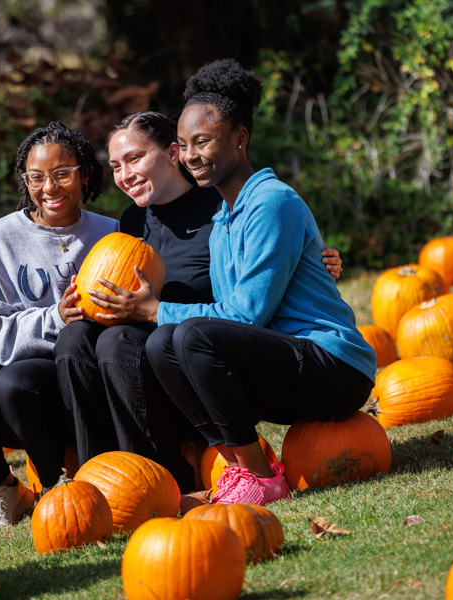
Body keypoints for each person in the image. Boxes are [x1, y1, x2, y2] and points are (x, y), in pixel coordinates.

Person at [83, 59, 376, 507]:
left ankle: (261, 482)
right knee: (164, 344)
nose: (192, 154)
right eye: (184, 144)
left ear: (239, 138)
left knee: (187, 333)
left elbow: (246, 315)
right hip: (282, 363)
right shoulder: (222, 220)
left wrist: (155, 308)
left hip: (333, 367)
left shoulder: (271, 202)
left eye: (203, 140)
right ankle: (242, 469)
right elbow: (229, 312)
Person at [0, 122, 120, 532]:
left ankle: (56, 488)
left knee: (15, 383)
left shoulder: (109, 234)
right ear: (25, 180)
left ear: (85, 172)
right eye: (36, 178)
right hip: (15, 357)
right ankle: (3, 487)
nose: (49, 188)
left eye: (61, 174)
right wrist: (54, 316)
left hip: (81, 371)